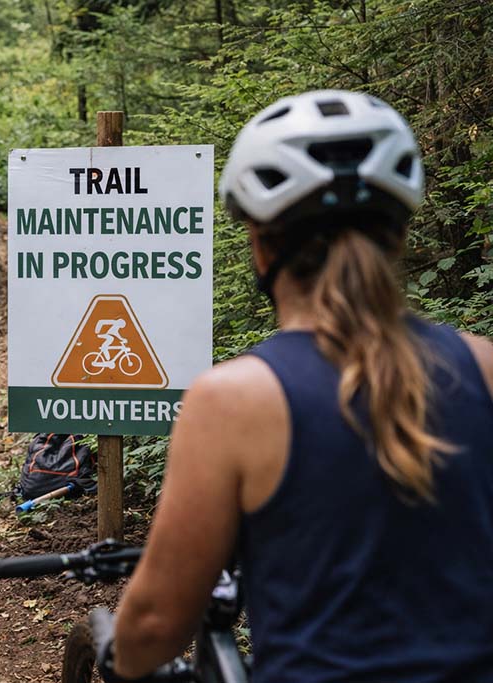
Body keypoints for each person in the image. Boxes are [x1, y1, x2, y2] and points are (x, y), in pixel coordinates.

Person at [106, 90, 493, 682]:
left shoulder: (232, 402)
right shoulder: (483, 367)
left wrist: (121, 655)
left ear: (261, 244)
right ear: (398, 237)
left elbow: (157, 620)